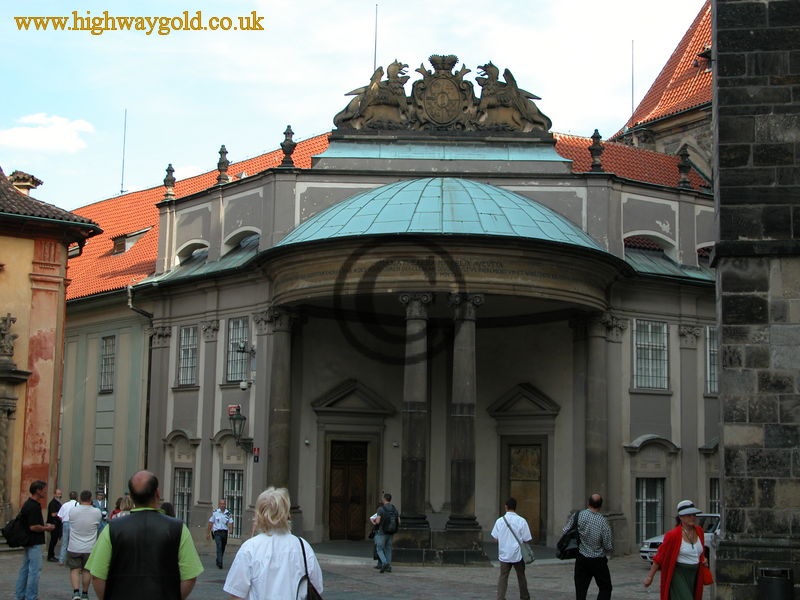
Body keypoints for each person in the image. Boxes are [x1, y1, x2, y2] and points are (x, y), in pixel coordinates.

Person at [86, 470, 204, 600]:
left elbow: (97, 575)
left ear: (131, 496)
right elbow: (190, 576)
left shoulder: (112, 528)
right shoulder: (178, 528)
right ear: (157, 493)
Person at [223, 487, 323, 600]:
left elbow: (236, 593)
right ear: (287, 514)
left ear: (259, 514)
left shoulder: (250, 548)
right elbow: (316, 587)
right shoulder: (302, 546)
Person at [644, 500, 708, 600]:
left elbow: (699, 552)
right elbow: (659, 557)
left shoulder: (699, 531)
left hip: (695, 574)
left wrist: (703, 559)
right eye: (688, 515)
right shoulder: (673, 535)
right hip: (678, 574)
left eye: (694, 514)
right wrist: (650, 576)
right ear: (681, 517)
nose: (693, 517)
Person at [562, 493, 613, 600]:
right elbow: (608, 545)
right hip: (598, 559)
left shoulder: (579, 515)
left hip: (581, 557)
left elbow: (565, 530)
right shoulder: (603, 521)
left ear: (588, 503)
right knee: (605, 587)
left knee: (581, 590)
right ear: (600, 506)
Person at [16, 479, 55, 600]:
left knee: (25, 569)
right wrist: (46, 528)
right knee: (34, 571)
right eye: (43, 489)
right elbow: (33, 527)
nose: (45, 492)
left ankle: (20, 595)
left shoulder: (28, 504)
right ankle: (31, 596)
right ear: (38, 491)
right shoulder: (33, 506)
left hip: (28, 541)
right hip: (34, 541)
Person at [490, 497, 532, 600]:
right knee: (521, 575)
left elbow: (495, 538)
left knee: (503, 576)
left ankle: (500, 597)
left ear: (506, 507)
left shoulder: (499, 521)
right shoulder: (522, 521)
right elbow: (527, 538)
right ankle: (524, 596)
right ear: (515, 507)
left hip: (504, 553)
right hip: (518, 554)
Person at [67, 490, 102, 600]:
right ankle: (85, 593)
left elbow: (71, 523)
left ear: (80, 498)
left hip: (74, 546)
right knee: (87, 571)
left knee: (74, 569)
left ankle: (76, 592)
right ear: (91, 499)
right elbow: (98, 525)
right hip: (90, 546)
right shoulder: (97, 512)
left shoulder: (73, 511)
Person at [370, 492, 399, 573]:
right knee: (388, 549)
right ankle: (388, 566)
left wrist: (373, 522)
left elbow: (378, 521)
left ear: (384, 499)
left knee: (379, 548)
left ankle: (384, 563)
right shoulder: (394, 509)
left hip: (381, 532)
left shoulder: (381, 509)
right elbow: (399, 521)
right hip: (391, 532)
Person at [207, 498, 234, 569]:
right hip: (217, 532)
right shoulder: (215, 512)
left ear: (225, 505)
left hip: (224, 532)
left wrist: (231, 530)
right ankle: (220, 563)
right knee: (219, 546)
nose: (222, 505)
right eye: (221, 504)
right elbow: (210, 522)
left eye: (224, 504)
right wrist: (208, 533)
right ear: (219, 505)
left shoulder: (228, 513)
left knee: (223, 547)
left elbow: (230, 522)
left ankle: (218, 559)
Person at [58, 491, 79, 564]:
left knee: (64, 542)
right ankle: (70, 560)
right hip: (74, 523)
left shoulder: (65, 505)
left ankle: (61, 560)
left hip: (65, 523)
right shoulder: (78, 505)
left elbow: (60, 516)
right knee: (72, 543)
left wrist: (64, 521)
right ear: (76, 497)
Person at [47, 488, 63, 562]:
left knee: (54, 540)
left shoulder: (58, 502)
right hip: (53, 524)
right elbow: (53, 514)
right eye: (58, 494)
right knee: (53, 540)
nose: (59, 495)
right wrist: (60, 514)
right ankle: (50, 556)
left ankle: (51, 555)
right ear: (54, 494)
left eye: (60, 494)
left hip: (57, 524)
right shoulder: (53, 503)